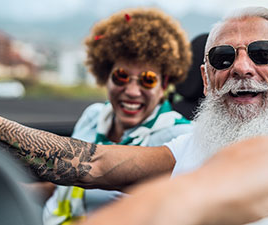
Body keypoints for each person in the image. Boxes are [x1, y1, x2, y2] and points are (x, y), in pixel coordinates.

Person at [0, 6, 268, 224]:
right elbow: (99, 163)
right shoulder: (194, 142)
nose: (242, 69)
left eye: (261, 54)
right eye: (224, 58)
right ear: (207, 79)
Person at [40, 7, 192, 225]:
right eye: (121, 76)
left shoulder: (180, 138)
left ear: (164, 85)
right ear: (106, 76)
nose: (131, 91)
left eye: (147, 79)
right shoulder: (93, 116)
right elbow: (60, 186)